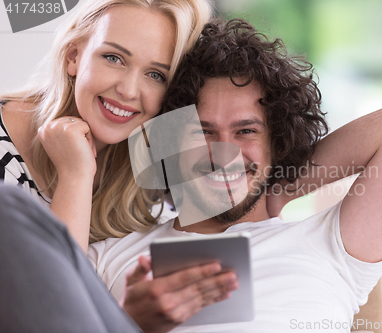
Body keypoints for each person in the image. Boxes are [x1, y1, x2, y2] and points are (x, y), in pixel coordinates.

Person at [87, 19, 382, 332]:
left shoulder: (331, 246)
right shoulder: (110, 256)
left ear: (278, 142)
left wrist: (279, 186)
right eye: (204, 132)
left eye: (246, 132)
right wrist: (128, 323)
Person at [0, 1, 239, 331]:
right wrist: (75, 175)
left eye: (156, 75)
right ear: (74, 57)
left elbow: (263, 199)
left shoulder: (160, 157)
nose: (128, 90)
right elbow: (47, 299)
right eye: (113, 58)